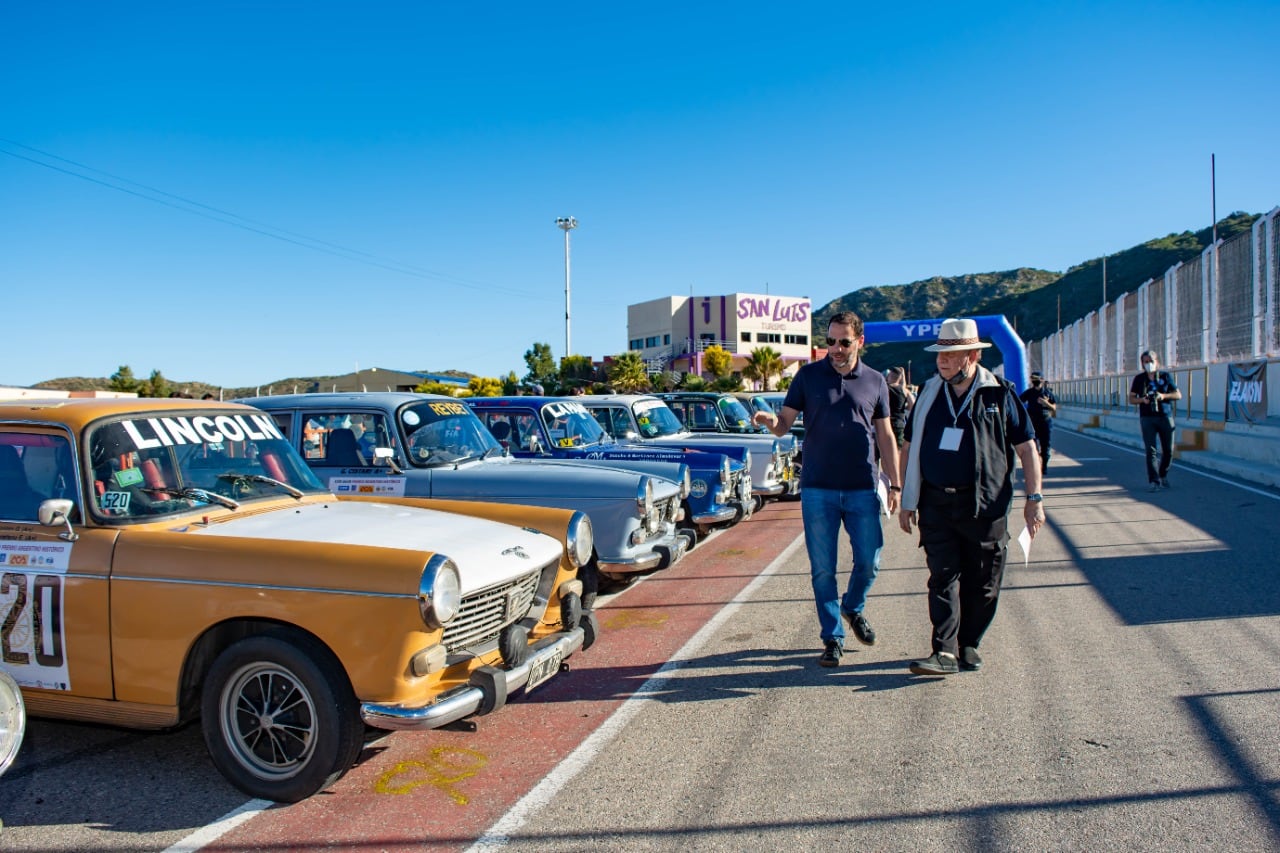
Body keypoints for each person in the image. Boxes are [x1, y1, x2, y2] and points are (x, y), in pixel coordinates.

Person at [752, 310, 901, 668]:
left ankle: (852, 606)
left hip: (863, 487)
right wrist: (771, 422)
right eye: (830, 341)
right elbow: (784, 423)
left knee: (870, 560)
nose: (835, 348)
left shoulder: (876, 381)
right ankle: (832, 636)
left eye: (843, 342)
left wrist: (895, 483)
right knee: (823, 569)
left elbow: (885, 434)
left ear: (859, 342)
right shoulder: (807, 376)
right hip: (817, 488)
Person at [897, 318, 1044, 676]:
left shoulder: (999, 394)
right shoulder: (929, 394)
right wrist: (905, 496)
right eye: (940, 354)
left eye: (952, 354)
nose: (942, 361)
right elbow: (907, 445)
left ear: (973, 355)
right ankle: (943, 651)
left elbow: (1027, 448)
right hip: (937, 503)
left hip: (985, 505)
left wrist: (1034, 497)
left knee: (984, 583)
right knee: (942, 577)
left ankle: (969, 643)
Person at [1128, 350, 1181, 491]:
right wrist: (1142, 400)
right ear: (1142, 364)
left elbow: (1178, 394)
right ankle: (1154, 480)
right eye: (1145, 362)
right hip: (1147, 418)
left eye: (1151, 361)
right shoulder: (1139, 379)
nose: (1148, 364)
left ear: (1157, 362)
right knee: (1151, 450)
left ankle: (1163, 474)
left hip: (1165, 416)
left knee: (1168, 450)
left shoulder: (1165, 376)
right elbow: (1131, 398)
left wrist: (1162, 396)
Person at [1019, 371, 1057, 472]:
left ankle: (1044, 465)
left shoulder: (1047, 393)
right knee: (1033, 447)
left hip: (1045, 422)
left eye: (1036, 379)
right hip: (1033, 422)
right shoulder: (1029, 392)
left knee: (1045, 446)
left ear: (1042, 380)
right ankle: (1035, 466)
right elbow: (1018, 401)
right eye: (1033, 379)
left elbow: (1054, 408)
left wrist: (1046, 403)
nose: (1034, 381)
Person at [884, 366, 915, 447]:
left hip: (885, 423)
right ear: (899, 378)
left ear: (889, 376)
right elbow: (912, 405)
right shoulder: (905, 391)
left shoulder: (884, 388)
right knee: (898, 450)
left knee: (882, 451)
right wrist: (904, 408)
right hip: (899, 424)